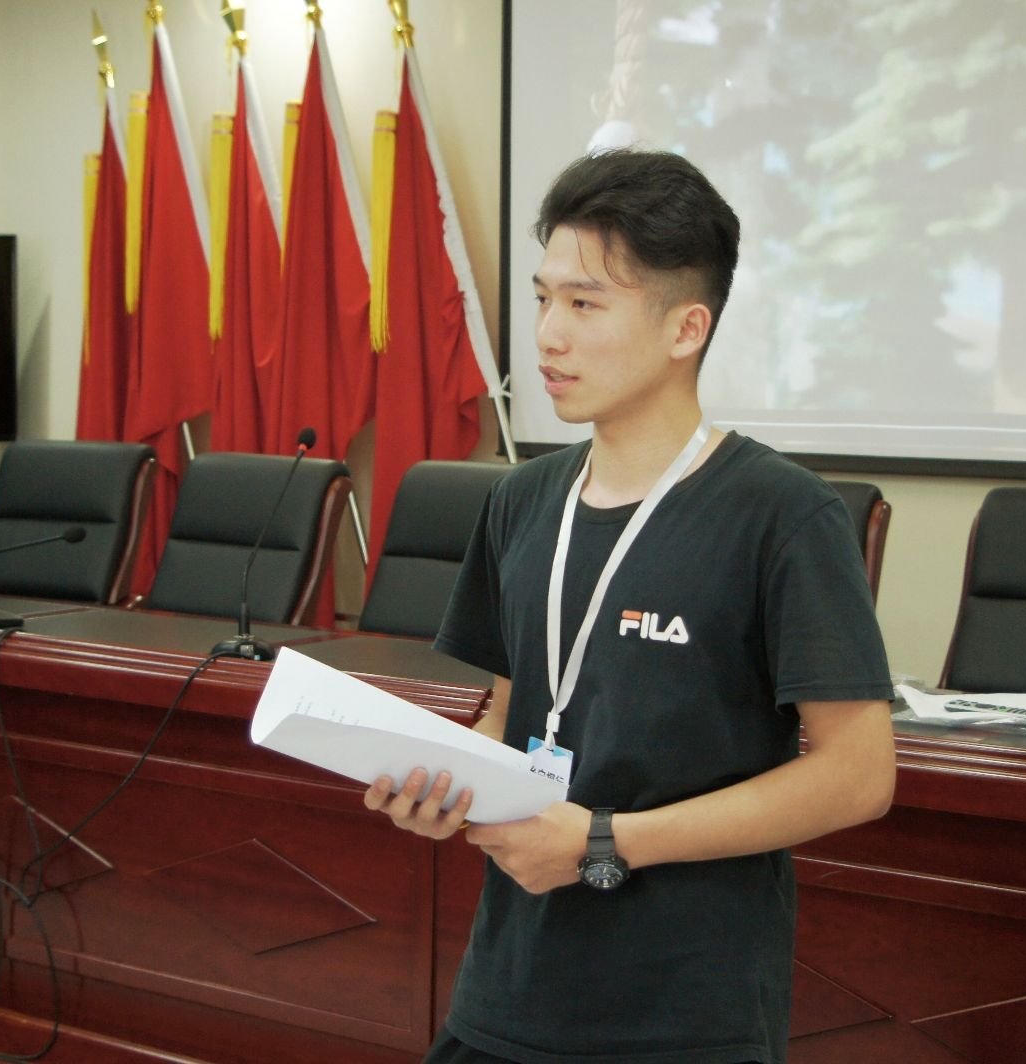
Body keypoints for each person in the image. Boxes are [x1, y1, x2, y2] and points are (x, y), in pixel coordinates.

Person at [364, 148, 897, 1064]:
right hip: (508, 994)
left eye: (585, 304)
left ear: (686, 327)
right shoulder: (520, 501)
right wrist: (446, 788)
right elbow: (510, 713)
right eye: (543, 298)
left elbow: (858, 775)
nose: (547, 336)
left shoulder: (782, 514)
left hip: (684, 1015)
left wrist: (606, 842)